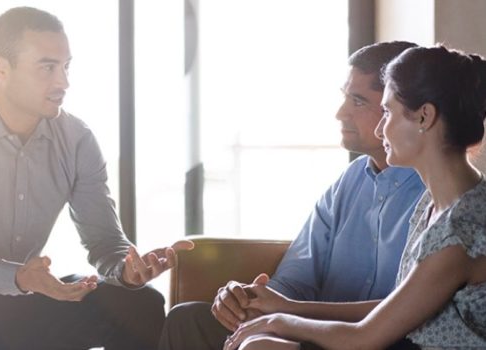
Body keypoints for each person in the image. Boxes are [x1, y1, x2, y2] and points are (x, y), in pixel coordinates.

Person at [0, 7, 193, 350]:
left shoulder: (76, 139)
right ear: (0, 68)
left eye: (65, 67)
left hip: (23, 301)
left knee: (139, 304)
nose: (63, 82)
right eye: (47, 67)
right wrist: (16, 277)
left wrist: (127, 271)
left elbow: (106, 244)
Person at [158, 42, 425, 350]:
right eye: (344, 97)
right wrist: (250, 300)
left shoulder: (438, 191)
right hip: (310, 331)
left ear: (404, 108)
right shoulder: (348, 182)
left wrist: (285, 314)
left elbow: (411, 311)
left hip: (385, 341)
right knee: (187, 320)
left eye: (359, 101)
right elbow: (296, 277)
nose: (341, 113)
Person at [223, 45, 486, 350]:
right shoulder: (433, 205)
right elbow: (391, 311)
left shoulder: (462, 228)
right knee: (259, 341)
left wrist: (278, 320)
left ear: (424, 117)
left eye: (386, 112)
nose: (379, 127)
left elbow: (365, 336)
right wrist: (284, 308)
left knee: (260, 346)